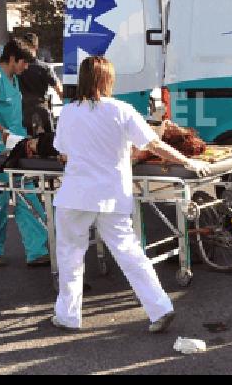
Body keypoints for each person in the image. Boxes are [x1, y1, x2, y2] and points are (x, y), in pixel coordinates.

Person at [50, 56, 212, 334]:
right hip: (111, 194)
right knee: (130, 254)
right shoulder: (121, 110)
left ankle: (68, 315)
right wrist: (188, 163)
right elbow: (154, 145)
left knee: (70, 256)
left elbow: (63, 153)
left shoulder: (68, 112)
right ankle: (160, 308)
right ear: (108, 80)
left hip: (75, 195)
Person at [0, 37, 50, 268]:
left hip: (15, 149)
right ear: (12, 59)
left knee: (27, 196)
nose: (26, 67)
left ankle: (37, 251)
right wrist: (3, 131)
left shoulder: (14, 80)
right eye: (23, 62)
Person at [17, 32, 63, 135]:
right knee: (50, 141)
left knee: (25, 143)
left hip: (24, 110)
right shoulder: (43, 68)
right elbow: (59, 90)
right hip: (42, 109)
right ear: (36, 47)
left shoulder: (17, 68)